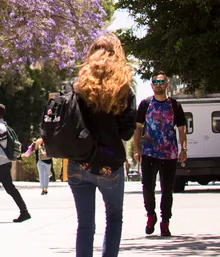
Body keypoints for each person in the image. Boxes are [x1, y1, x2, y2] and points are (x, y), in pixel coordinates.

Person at [67, 34, 136, 257]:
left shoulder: (78, 87)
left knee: (85, 225)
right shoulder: (124, 89)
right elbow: (126, 132)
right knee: (114, 219)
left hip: (79, 164)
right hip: (110, 165)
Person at [133, 72, 188, 237]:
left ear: (167, 84)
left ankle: (165, 222)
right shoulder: (145, 104)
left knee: (167, 190)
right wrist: (137, 149)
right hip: (149, 153)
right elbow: (138, 127)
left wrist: (183, 149)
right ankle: (151, 215)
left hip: (169, 154)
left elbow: (182, 128)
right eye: (156, 81)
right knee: (147, 188)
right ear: (151, 85)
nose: (159, 84)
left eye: (162, 81)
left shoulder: (175, 106)